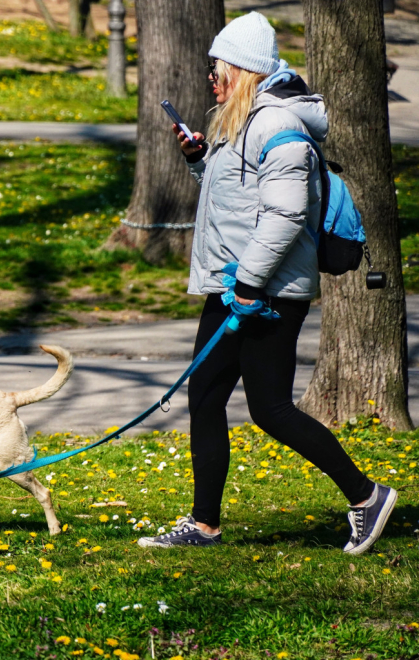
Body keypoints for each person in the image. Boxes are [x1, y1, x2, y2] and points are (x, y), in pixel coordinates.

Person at [137, 12, 397, 553]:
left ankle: (367, 496)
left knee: (270, 408)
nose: (210, 78)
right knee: (205, 397)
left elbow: (284, 216)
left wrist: (251, 284)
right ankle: (203, 524)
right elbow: (236, 197)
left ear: (243, 69)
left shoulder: (279, 128)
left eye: (217, 68)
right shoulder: (245, 118)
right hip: (236, 283)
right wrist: (197, 160)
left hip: (265, 291)